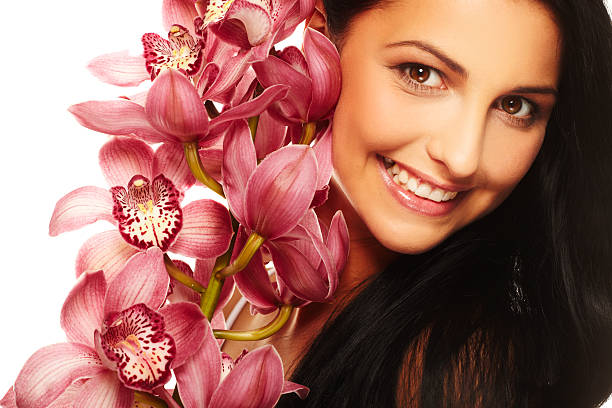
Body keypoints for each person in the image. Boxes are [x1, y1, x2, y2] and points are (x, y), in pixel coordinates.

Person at [223, 0, 612, 406]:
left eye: (515, 106)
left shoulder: (459, 375)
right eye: (422, 74)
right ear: (319, 39)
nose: (463, 157)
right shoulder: (231, 268)